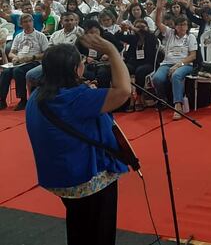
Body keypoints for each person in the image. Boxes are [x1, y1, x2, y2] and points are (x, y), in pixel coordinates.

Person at [25, 36, 131, 245]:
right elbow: (124, 91)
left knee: (79, 226)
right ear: (76, 69)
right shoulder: (76, 98)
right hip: (87, 179)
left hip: (60, 177)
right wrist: (112, 51)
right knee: (99, 233)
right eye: (81, 62)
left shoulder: (37, 95)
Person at [152, 0, 197, 120]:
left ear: (187, 26)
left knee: (177, 75)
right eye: (179, 25)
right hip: (167, 63)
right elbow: (158, 23)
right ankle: (163, 99)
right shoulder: (170, 33)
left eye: (184, 25)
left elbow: (193, 56)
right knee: (157, 79)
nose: (182, 27)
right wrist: (159, 8)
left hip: (185, 64)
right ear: (175, 26)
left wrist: (179, 64)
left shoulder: (191, 37)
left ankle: (178, 105)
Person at [0, 14, 49, 110]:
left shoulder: (40, 36)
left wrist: (31, 57)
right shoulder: (18, 36)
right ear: (21, 24)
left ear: (33, 22)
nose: (28, 24)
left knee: (18, 71)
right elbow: (11, 53)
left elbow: (46, 53)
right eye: (25, 22)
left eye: (30, 21)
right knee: (5, 72)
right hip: (20, 61)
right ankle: (2, 100)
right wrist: (15, 57)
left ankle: (23, 99)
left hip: (34, 61)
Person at [115, 19, 159, 112]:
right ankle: (130, 97)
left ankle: (138, 97)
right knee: (124, 69)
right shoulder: (133, 38)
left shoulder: (151, 37)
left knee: (140, 71)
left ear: (147, 28)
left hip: (148, 63)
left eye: (142, 27)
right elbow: (117, 37)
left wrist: (133, 28)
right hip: (134, 62)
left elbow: (145, 33)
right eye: (138, 27)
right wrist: (122, 30)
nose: (140, 29)